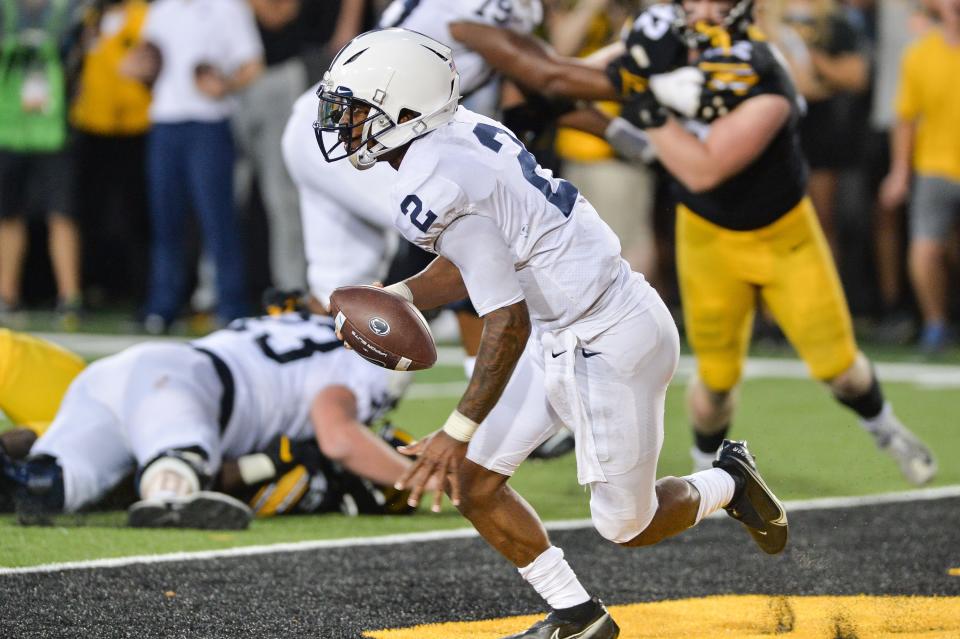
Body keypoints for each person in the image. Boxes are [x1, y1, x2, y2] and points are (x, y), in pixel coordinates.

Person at [318, 28, 789, 639]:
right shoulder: (455, 134)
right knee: (475, 483)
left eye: (356, 109)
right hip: (563, 327)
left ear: (403, 110)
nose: (343, 123)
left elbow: (504, 320)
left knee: (627, 526)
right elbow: (481, 256)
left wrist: (455, 430)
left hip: (608, 336)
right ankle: (578, 615)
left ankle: (728, 482)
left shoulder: (432, 179)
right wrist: (402, 295)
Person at [449, 0, 939, 486]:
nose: (703, 10)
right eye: (693, 0)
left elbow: (703, 170)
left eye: (716, 0)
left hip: (783, 236)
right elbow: (552, 82)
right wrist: (469, 34)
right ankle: (709, 470)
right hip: (707, 235)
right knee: (717, 382)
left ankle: (883, 426)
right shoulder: (661, 43)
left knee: (840, 370)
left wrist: (643, 104)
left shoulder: (765, 72)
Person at [2, 311, 418, 529]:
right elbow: (339, 438)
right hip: (179, 385)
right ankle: (171, 488)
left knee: (40, 488)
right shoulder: (366, 366)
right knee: (175, 475)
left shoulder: (308, 321)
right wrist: (423, 479)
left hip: (121, 374)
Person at [121, 0, 264, 332]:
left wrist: (225, 86)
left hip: (208, 122)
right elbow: (151, 62)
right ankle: (162, 306)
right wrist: (138, 70)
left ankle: (231, 305)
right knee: (165, 221)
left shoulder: (227, 7)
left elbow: (253, 63)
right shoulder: (161, 10)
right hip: (164, 121)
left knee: (217, 218)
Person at [880, 0, 960, 355]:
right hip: (935, 167)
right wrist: (900, 172)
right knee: (925, 250)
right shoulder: (920, 54)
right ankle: (935, 324)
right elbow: (906, 117)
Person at [0, 0, 84, 325]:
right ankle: (6, 293)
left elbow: (79, 55)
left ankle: (70, 296)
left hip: (54, 126)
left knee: (62, 212)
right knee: (7, 213)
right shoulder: (7, 10)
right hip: (9, 125)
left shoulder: (68, 8)